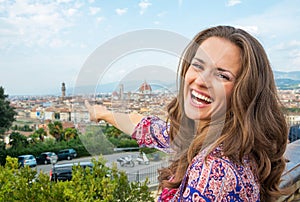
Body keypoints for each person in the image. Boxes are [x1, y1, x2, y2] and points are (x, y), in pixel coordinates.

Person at [85, 25, 288, 201]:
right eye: (198, 66)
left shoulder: (213, 169)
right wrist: (102, 113)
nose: (201, 81)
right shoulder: (214, 140)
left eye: (222, 75)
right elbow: (149, 128)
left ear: (246, 91)